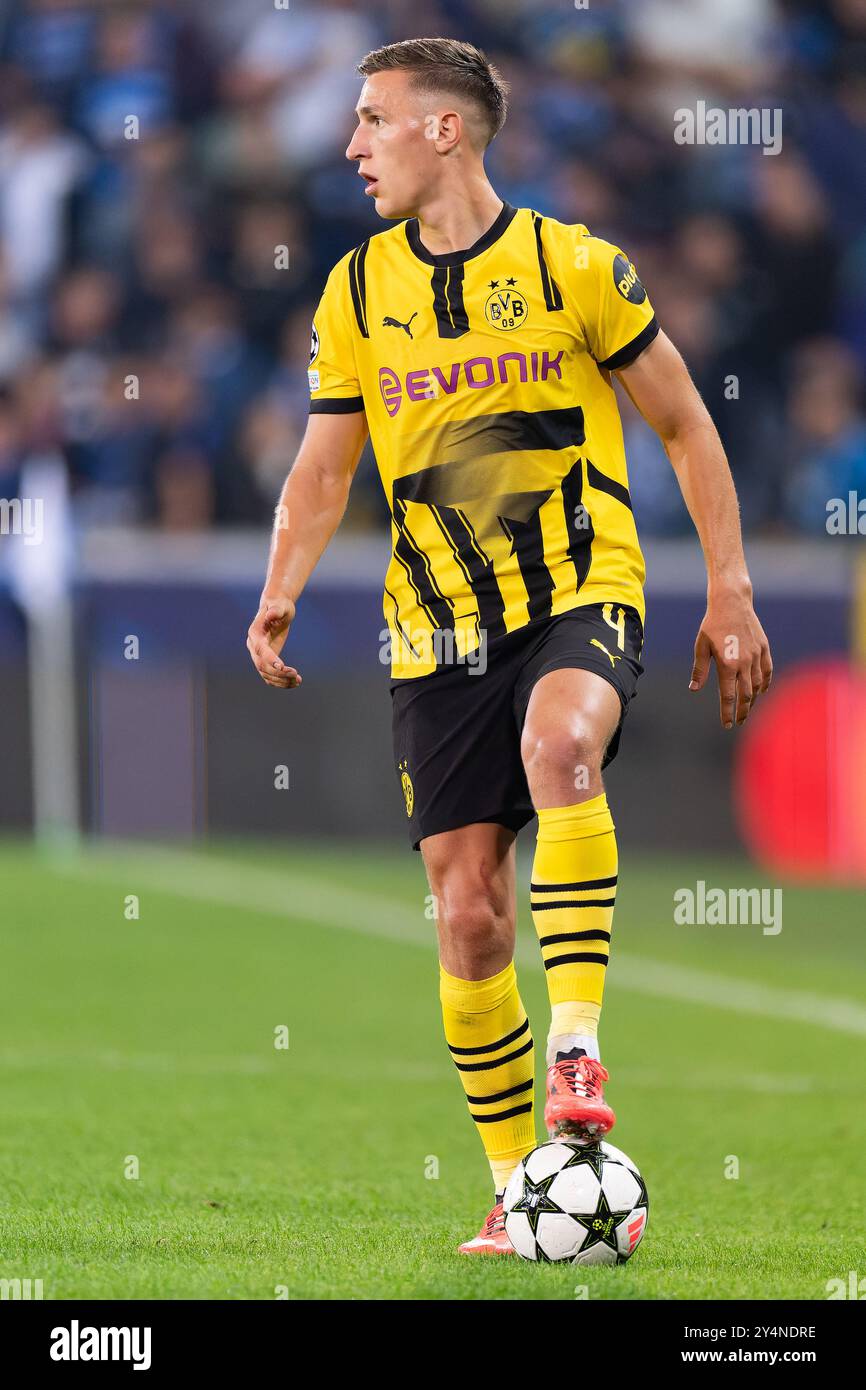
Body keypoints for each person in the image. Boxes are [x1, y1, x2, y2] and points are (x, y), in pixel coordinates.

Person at [246, 37, 772, 1256]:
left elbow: (686, 424)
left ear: (444, 131)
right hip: (433, 630)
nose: (350, 146)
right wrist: (280, 586)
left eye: (371, 120)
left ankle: (575, 1048)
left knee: (560, 742)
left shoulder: (573, 265)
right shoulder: (355, 290)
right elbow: (324, 468)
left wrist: (730, 589)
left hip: (578, 588)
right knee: (468, 914)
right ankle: (516, 1185)